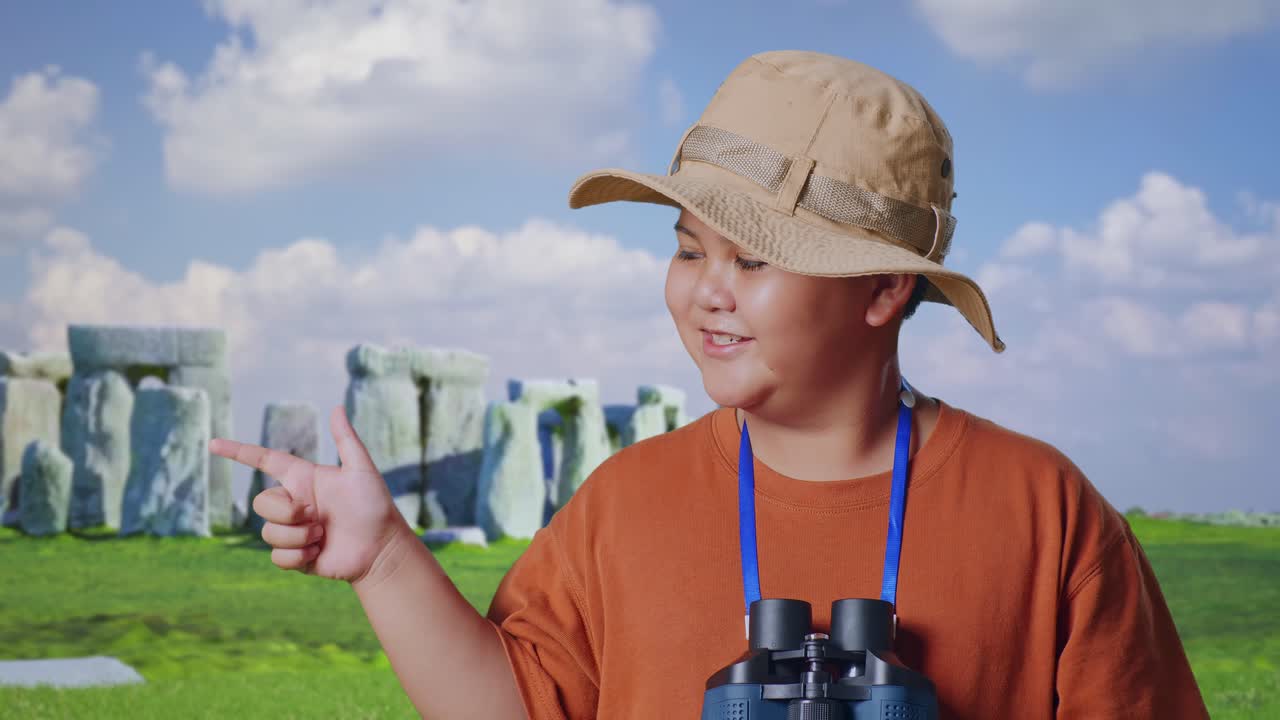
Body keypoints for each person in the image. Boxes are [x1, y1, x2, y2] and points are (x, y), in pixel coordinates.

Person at [209, 51, 1209, 719]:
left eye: (753, 260)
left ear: (881, 289)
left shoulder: (1042, 512)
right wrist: (384, 558)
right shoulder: (625, 504)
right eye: (688, 251)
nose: (705, 295)